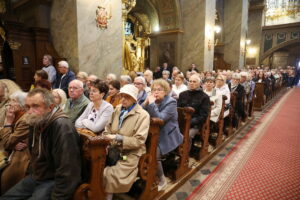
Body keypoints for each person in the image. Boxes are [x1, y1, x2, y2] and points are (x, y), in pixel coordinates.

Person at [0, 88, 81, 199]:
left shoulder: (62, 126)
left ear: (50, 107)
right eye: (27, 107)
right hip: (38, 175)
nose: (30, 111)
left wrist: (58, 197)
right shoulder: (36, 120)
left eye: (35, 106)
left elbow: (68, 170)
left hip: (53, 179)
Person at [102, 84, 150, 200]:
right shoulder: (117, 109)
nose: (122, 99)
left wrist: (117, 138)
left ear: (135, 99)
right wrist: (106, 143)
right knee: (94, 165)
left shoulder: (143, 115)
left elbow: (139, 141)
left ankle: (108, 197)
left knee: (109, 173)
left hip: (128, 155)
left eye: (127, 97)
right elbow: (107, 129)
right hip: (113, 150)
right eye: (121, 96)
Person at [143, 79, 183, 191]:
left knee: (154, 152)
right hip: (152, 133)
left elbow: (159, 119)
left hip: (167, 135)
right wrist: (145, 103)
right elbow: (139, 113)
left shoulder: (171, 102)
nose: (156, 92)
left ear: (165, 91)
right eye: (154, 89)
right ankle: (147, 173)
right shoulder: (152, 100)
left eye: (159, 90)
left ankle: (162, 179)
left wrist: (151, 104)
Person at [0, 91, 29, 193]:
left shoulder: (25, 119)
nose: (10, 104)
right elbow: (4, 136)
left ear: (21, 104)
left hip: (22, 154)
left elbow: (7, 142)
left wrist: (8, 122)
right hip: (9, 149)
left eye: (14, 101)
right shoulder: (13, 114)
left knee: (6, 177)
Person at [177, 75, 210, 149]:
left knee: (187, 135)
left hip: (195, 124)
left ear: (199, 84)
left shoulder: (204, 97)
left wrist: (189, 122)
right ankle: (171, 153)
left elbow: (203, 115)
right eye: (190, 81)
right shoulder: (182, 94)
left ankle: (184, 155)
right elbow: (178, 109)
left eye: (194, 82)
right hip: (181, 122)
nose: (191, 83)